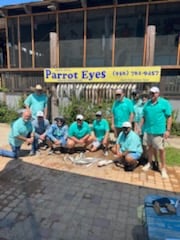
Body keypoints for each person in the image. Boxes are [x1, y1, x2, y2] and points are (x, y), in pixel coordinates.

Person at [141, 86, 172, 178]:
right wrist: (139, 127)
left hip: (159, 131)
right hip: (148, 130)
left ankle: (163, 168)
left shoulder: (164, 103)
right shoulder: (147, 104)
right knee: (149, 148)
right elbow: (143, 116)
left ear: (158, 94)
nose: (152, 95)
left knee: (161, 150)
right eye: (151, 93)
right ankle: (150, 163)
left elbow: (169, 117)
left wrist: (168, 130)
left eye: (154, 93)